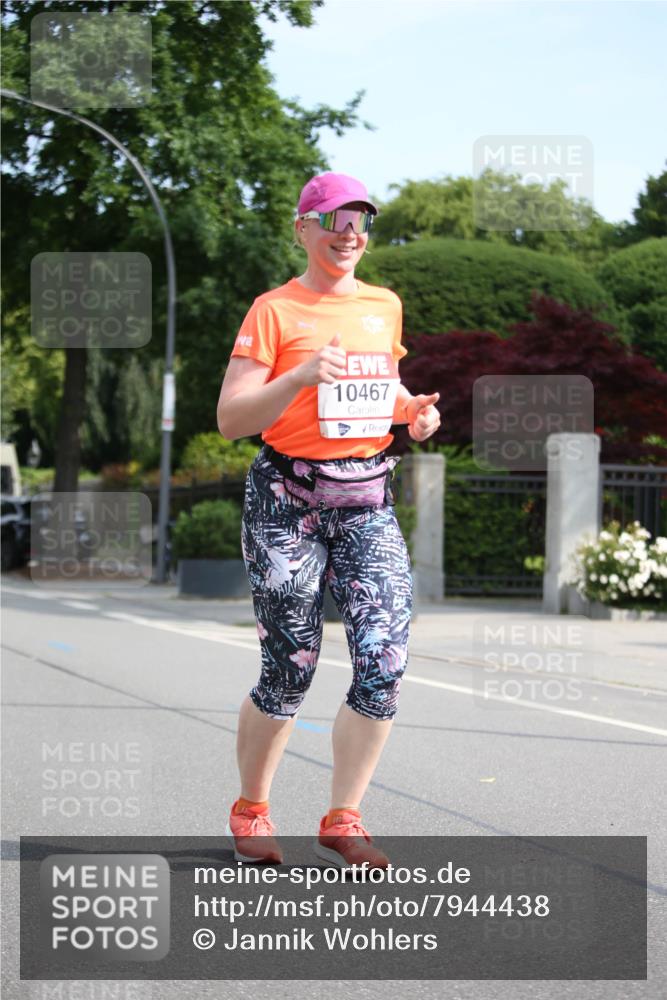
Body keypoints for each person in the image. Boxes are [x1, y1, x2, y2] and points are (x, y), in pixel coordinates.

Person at [216, 172, 441, 868]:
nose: (349, 233)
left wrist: (412, 413)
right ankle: (251, 808)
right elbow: (230, 419)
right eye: (334, 220)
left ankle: (344, 816)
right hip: (287, 499)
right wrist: (297, 377)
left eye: (360, 221)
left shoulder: (383, 304)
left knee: (384, 662)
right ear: (302, 229)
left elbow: (380, 383)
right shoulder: (273, 311)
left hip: (366, 498)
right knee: (290, 666)